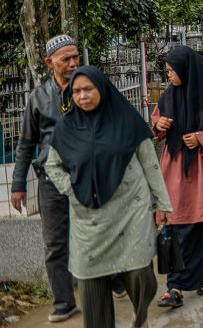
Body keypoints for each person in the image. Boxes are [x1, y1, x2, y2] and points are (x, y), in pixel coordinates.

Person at [45, 66, 172, 328]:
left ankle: (141, 317)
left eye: (88, 89)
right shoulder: (66, 129)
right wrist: (70, 188)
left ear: (102, 89)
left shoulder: (128, 121)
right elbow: (51, 166)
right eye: (76, 91)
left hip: (131, 211)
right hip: (88, 218)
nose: (82, 96)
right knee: (91, 286)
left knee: (140, 275)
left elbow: (150, 164)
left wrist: (162, 203)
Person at [154, 46, 203, 308]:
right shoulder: (167, 98)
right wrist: (160, 125)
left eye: (172, 71)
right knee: (176, 224)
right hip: (176, 169)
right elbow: (156, 123)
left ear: (187, 69)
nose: (169, 77)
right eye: (167, 72)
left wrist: (201, 137)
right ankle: (173, 286)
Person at [11, 34, 79, 322]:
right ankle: (64, 301)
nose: (74, 63)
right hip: (50, 181)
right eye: (67, 59)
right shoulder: (38, 98)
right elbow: (26, 144)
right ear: (50, 62)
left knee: (99, 232)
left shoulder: (88, 89)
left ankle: (111, 279)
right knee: (55, 243)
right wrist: (17, 186)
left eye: (76, 57)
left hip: (86, 178)